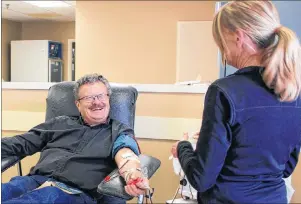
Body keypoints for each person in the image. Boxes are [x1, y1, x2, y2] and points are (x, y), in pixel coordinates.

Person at [171, 1, 301, 203]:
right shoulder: (293, 92)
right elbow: (286, 168)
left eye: (221, 41)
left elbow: (201, 178)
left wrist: (183, 147)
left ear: (238, 37)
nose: (222, 50)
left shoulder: (223, 91)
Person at [2, 74, 149, 204]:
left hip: (74, 193)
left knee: (44, 197)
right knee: (6, 190)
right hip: (33, 181)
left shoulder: (118, 131)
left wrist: (132, 173)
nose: (97, 102)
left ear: (108, 99)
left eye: (101, 96)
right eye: (89, 98)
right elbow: (21, 142)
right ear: (78, 104)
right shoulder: (59, 123)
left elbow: (126, 154)